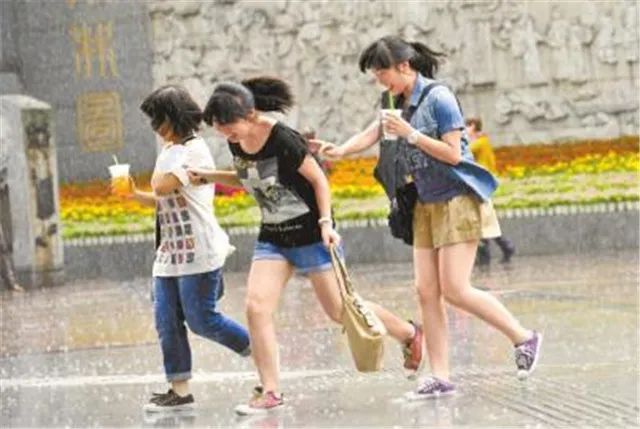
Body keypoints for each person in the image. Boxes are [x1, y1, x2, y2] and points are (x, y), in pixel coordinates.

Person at [313, 35, 542, 399]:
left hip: (458, 199)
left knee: (455, 289)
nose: (380, 82)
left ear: (404, 66)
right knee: (426, 292)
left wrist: (412, 135)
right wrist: (340, 150)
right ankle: (440, 375)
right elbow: (374, 131)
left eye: (382, 73)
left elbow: (453, 154)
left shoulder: (439, 98)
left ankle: (523, 337)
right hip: (424, 204)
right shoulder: (393, 101)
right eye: (376, 76)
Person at [190, 76, 425, 415]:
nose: (228, 136)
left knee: (340, 311)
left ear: (250, 114)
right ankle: (271, 390)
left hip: (312, 235)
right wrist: (208, 175)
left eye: (230, 128)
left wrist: (326, 223)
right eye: (222, 131)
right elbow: (252, 180)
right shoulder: (237, 141)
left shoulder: (283, 138)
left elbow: (318, 180)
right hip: (274, 237)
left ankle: (408, 333)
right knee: (256, 308)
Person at [133, 85, 251, 412]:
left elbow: (162, 185)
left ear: (173, 117)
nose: (154, 127)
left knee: (202, 321)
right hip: (169, 253)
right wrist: (133, 194)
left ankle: (262, 353)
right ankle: (179, 391)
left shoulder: (193, 150)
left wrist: (167, 159)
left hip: (198, 251)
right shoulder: (172, 150)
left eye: (157, 119)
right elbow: (163, 198)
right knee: (167, 321)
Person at [465, 117, 516, 265]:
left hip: (480, 184)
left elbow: (464, 151)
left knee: (482, 218)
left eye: (467, 126)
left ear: (473, 126)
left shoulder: (480, 142)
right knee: (485, 218)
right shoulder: (482, 141)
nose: (464, 130)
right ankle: (504, 247)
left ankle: (487, 254)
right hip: (479, 183)